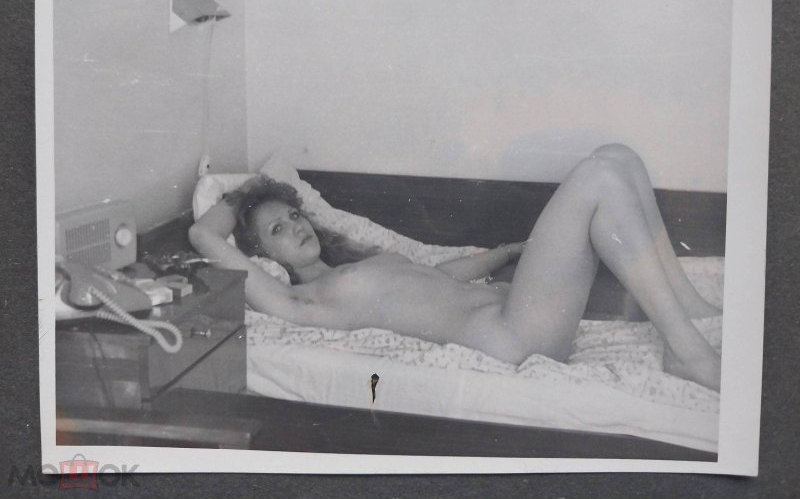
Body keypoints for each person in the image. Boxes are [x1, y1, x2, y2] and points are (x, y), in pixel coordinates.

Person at [189, 144, 722, 390]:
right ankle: (687, 352)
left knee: (617, 157)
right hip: (510, 337)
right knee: (598, 177)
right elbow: (203, 235)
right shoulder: (299, 303)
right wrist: (248, 192)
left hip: (515, 314)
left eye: (294, 215)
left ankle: (692, 310)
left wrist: (507, 253)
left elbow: (439, 279)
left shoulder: (350, 270)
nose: (296, 226)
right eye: (277, 231)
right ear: (263, 258)